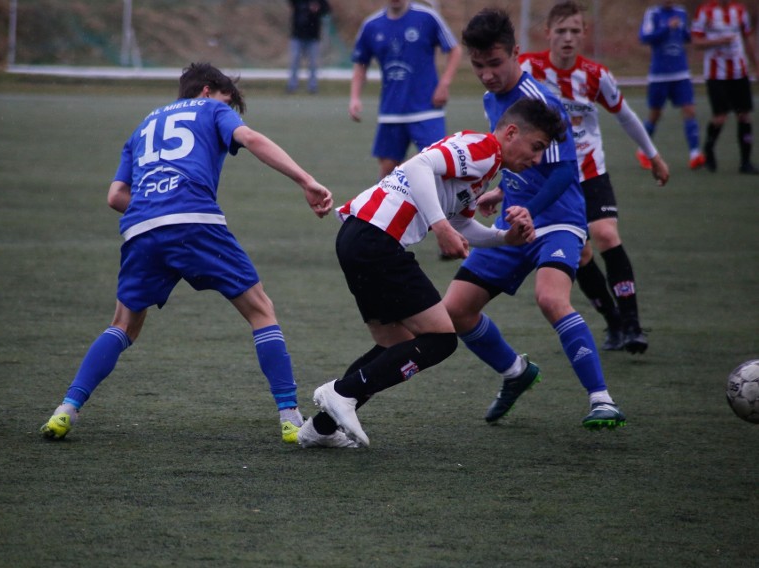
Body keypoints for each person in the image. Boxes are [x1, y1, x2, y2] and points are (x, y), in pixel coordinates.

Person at [40, 63, 334, 443]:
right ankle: (290, 418)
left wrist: (155, 206)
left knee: (123, 324)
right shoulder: (211, 109)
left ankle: (66, 410)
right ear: (209, 91)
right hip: (195, 221)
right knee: (261, 310)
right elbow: (252, 139)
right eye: (228, 101)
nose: (228, 109)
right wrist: (306, 181)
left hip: (141, 228)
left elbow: (115, 196)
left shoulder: (142, 126)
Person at [298, 98, 564, 448]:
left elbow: (461, 224)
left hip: (361, 238)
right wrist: (439, 227)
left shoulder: (485, 168)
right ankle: (342, 393)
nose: (537, 159)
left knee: (396, 344)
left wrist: (504, 238)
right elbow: (419, 165)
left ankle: (320, 428)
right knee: (440, 339)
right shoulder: (483, 148)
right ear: (511, 132)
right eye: (537, 147)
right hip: (376, 239)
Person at [442, 8, 627, 430]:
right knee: (455, 310)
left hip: (558, 217)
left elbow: (563, 170)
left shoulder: (542, 101)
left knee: (550, 298)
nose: (487, 74)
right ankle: (515, 372)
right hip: (515, 219)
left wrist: (532, 210)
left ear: (516, 54)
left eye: (495, 63)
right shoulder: (492, 99)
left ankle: (602, 400)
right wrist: (500, 191)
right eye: (478, 65)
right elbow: (519, 160)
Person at [519, 0, 670, 354]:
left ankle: (632, 324)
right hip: (552, 176)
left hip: (590, 170)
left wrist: (654, 155)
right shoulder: (530, 69)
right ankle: (613, 323)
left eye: (575, 31)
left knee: (604, 233)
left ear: (584, 34)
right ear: (547, 34)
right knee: (582, 253)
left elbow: (626, 116)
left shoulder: (595, 75)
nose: (568, 38)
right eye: (561, 31)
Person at [349, 0, 462, 180]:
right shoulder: (371, 25)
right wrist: (355, 98)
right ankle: (386, 206)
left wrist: (444, 84)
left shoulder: (427, 17)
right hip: (391, 111)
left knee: (438, 165)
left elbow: (455, 49)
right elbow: (360, 63)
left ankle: (434, 205)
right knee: (387, 171)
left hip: (426, 109)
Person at [691, 0, 758, 174]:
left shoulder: (740, 11)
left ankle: (745, 162)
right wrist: (720, 40)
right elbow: (696, 42)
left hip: (739, 71)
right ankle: (709, 150)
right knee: (720, 117)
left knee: (744, 116)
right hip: (716, 74)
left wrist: (756, 64)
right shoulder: (705, 12)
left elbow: (748, 37)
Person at [638, 1, 705, 171]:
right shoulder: (653, 14)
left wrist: (700, 32)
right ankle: (643, 151)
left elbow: (688, 36)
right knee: (655, 115)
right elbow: (644, 37)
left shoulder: (681, 12)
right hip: (659, 75)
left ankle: (695, 154)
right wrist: (667, 28)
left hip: (681, 72)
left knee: (690, 110)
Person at [286, 0, 331, 95]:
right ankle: (292, 86)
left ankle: (313, 87)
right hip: (297, 35)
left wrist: (318, 9)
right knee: (294, 61)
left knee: (313, 63)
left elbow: (327, 9)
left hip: (313, 36)